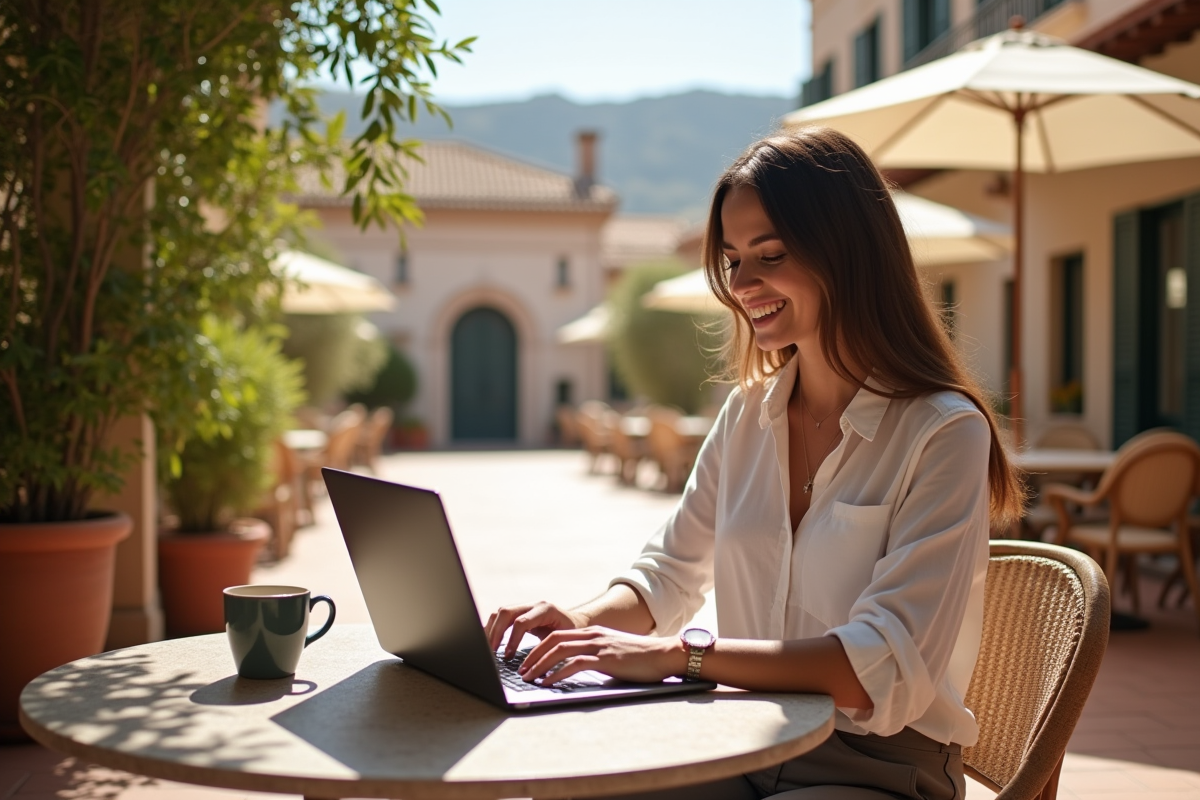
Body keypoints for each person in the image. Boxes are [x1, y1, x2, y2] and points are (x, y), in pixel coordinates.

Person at [486, 127, 1023, 800]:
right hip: (742, 738)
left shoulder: (943, 433)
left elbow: (876, 663)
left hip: (877, 766)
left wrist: (684, 657)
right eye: (734, 259)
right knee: (565, 787)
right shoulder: (746, 415)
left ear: (849, 255)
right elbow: (668, 577)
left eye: (770, 254)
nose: (743, 283)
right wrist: (578, 621)